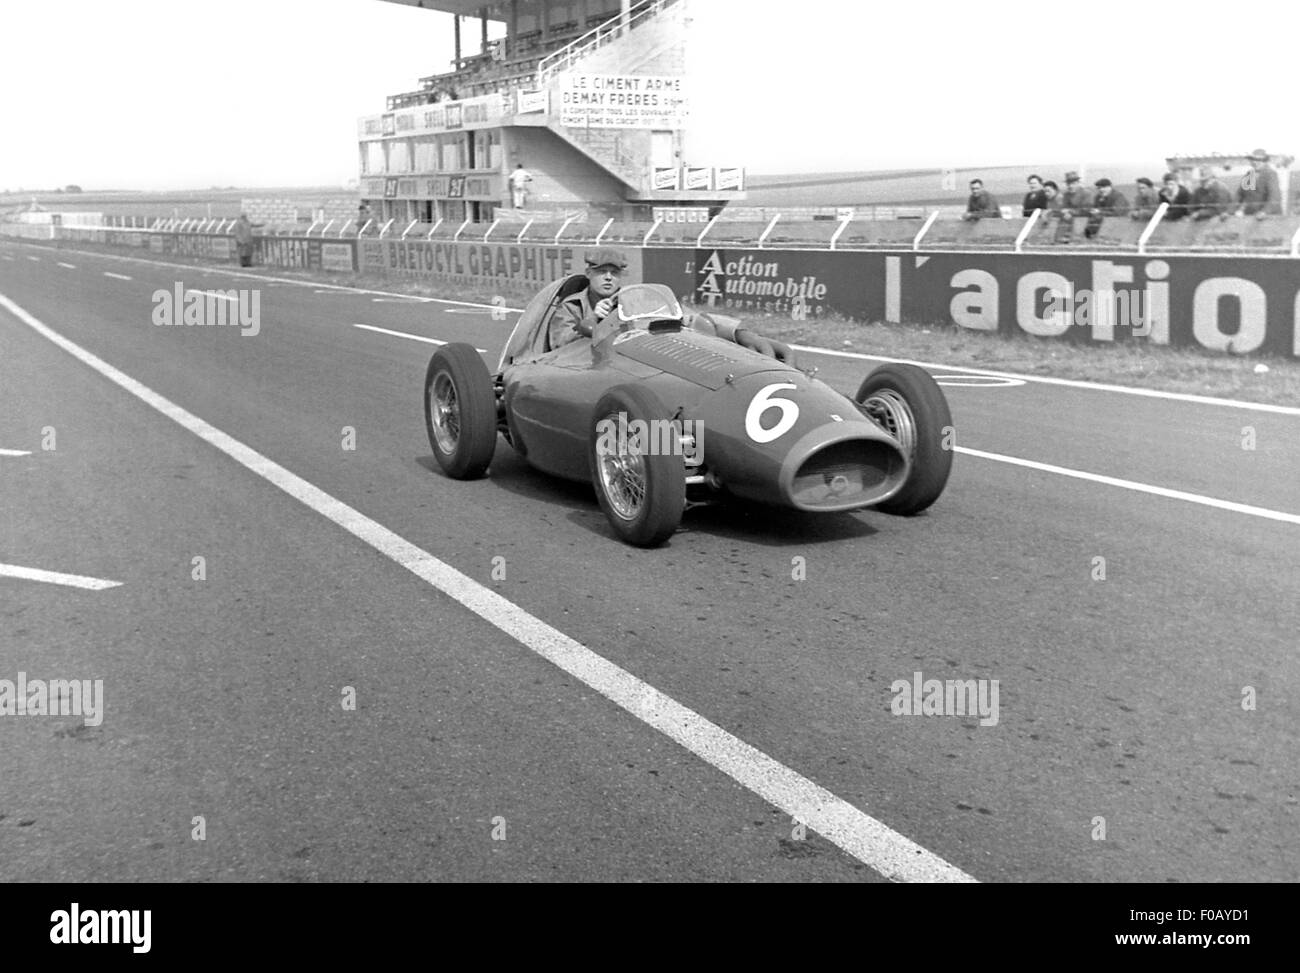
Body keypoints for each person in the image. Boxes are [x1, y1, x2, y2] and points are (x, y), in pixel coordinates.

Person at [549, 248, 626, 349]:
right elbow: (559, 344)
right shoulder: (572, 306)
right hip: (583, 362)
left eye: (614, 272)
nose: (608, 277)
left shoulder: (629, 304)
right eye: (602, 271)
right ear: (588, 273)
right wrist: (592, 319)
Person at [1235, 148, 1281, 218]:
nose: (1255, 162)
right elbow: (1239, 194)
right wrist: (1233, 210)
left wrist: (1264, 212)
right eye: (1253, 160)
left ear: (1265, 161)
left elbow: (1275, 197)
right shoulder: (1249, 174)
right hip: (1252, 216)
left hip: (1269, 217)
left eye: (1259, 160)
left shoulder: (1271, 174)